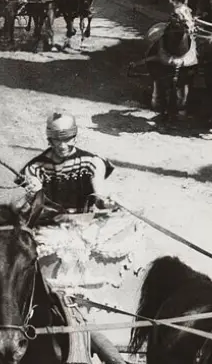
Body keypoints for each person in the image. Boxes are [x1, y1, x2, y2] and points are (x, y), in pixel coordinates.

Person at [12, 111, 130, 364]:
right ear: (49, 139)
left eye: (68, 138)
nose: (63, 145)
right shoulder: (36, 167)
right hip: (50, 234)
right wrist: (33, 192)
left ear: (75, 136)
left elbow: (99, 191)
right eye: (57, 139)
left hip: (84, 232)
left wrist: (103, 200)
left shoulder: (92, 162)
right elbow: (30, 201)